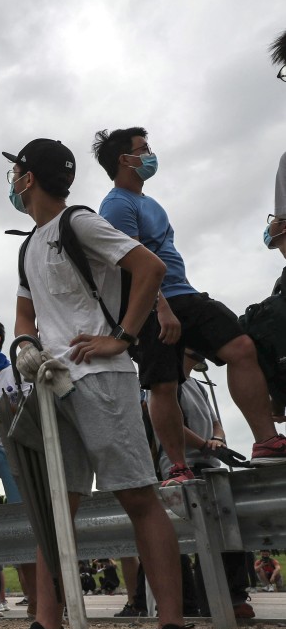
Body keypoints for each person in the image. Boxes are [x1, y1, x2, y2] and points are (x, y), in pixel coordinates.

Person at [0, 138, 211, 629]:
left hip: (103, 378)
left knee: (139, 497)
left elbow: (148, 268)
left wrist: (121, 336)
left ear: (27, 178)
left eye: (16, 172)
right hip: (53, 386)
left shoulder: (80, 222)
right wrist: (23, 346)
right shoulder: (27, 247)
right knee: (56, 513)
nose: (12, 181)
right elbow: (25, 316)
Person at [92, 127, 286, 471]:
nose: (150, 155)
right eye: (144, 149)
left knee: (241, 346)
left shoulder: (149, 203)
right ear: (125, 159)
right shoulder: (116, 204)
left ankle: (267, 442)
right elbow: (132, 266)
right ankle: (178, 467)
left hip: (185, 294)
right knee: (163, 384)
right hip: (154, 303)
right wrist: (161, 309)